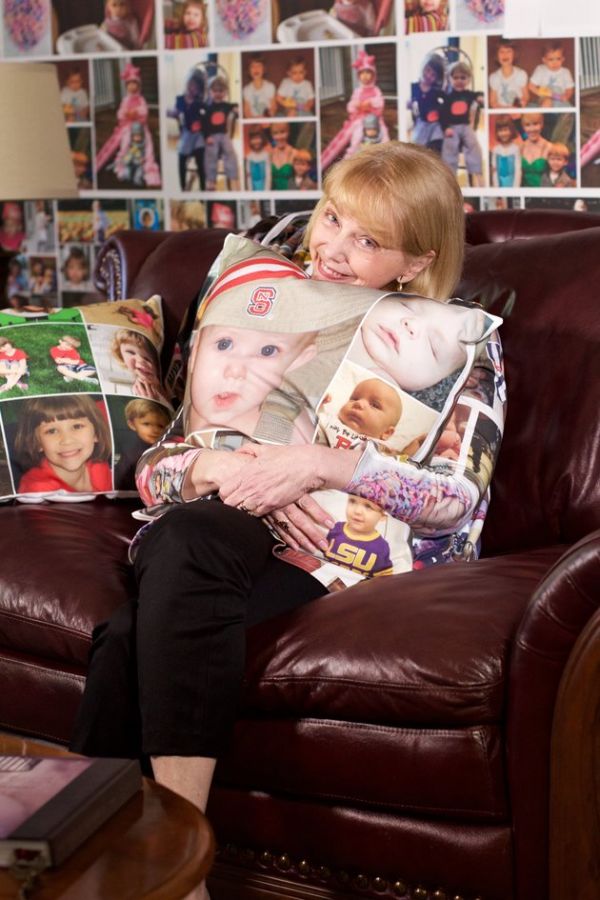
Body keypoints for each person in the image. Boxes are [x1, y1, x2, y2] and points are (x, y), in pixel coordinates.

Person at [70, 142, 504, 900]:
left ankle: (134, 858)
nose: (333, 248)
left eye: (368, 240)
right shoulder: (263, 303)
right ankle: (167, 871)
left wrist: (321, 466)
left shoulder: (460, 341)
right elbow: (158, 467)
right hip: (223, 526)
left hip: (338, 557)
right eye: (333, 218)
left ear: (414, 260)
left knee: (130, 634)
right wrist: (214, 468)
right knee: (188, 538)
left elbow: (458, 499)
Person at [186, 321, 318, 442]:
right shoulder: (195, 407)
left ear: (298, 361)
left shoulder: (292, 425)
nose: (235, 370)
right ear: (195, 349)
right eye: (223, 344)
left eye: (267, 351)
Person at [14, 395, 112, 494]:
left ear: (96, 434)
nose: (67, 440)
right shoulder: (38, 490)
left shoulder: (100, 467)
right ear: (36, 442)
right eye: (52, 431)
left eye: (77, 426)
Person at [95, 62, 161, 188]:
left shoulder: (141, 99)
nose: (132, 86)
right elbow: (119, 114)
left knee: (147, 142)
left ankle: (148, 169)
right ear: (126, 86)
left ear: (138, 86)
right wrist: (126, 113)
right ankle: (123, 166)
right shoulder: (125, 100)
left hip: (139, 125)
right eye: (129, 84)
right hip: (127, 126)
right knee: (125, 142)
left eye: (134, 84)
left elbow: (145, 111)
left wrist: (136, 112)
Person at [321, 49, 389, 170]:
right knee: (356, 134)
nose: (365, 76)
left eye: (369, 73)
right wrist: (356, 104)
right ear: (358, 76)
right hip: (359, 118)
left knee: (383, 133)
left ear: (373, 75)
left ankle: (387, 155)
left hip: (374, 119)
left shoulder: (376, 90)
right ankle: (349, 158)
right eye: (362, 73)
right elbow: (350, 107)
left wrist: (371, 102)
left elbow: (380, 103)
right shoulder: (358, 91)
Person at [324, 495, 393, 577]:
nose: (357, 511)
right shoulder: (335, 528)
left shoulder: (382, 547)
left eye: (368, 506)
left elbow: (384, 580)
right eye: (352, 501)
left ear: (382, 516)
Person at [441, 60, 484, 187]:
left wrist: (480, 97)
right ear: (450, 79)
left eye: (463, 78)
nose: (459, 81)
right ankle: (450, 176)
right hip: (452, 127)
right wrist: (446, 128)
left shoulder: (469, 95)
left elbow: (478, 94)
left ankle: (476, 171)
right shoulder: (448, 97)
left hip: (465, 126)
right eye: (456, 78)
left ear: (469, 79)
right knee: (449, 147)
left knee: (473, 144)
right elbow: (443, 115)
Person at [167, 69, 206, 191]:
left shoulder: (199, 102)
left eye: (196, 87)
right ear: (186, 83)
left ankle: (203, 187)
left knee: (201, 158)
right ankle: (183, 187)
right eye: (190, 84)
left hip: (198, 135)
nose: (192, 88)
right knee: (181, 156)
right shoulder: (180, 99)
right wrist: (173, 113)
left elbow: (207, 112)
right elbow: (176, 112)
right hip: (186, 133)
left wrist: (202, 121)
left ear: (199, 90)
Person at [204, 75, 239, 191]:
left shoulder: (226, 105)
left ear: (225, 92)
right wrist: (207, 136)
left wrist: (236, 109)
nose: (218, 93)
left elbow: (235, 106)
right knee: (210, 155)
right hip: (212, 136)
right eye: (215, 91)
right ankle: (211, 180)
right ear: (209, 92)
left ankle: (232, 176)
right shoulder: (208, 107)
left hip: (223, 135)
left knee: (230, 152)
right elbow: (204, 124)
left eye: (221, 91)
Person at [111, 329, 166, 402]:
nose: (140, 361)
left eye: (147, 358)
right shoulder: (136, 387)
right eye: (131, 352)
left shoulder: (163, 385)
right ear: (121, 355)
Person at [410, 53, 446, 156]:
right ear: (423, 67)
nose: (429, 75)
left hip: (435, 122)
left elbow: (447, 100)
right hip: (422, 120)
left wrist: (439, 111)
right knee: (416, 145)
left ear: (437, 78)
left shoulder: (436, 90)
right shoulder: (414, 87)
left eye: (433, 74)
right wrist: (409, 104)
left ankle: (434, 158)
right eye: (428, 70)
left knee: (437, 141)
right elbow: (411, 104)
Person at [528, 41, 574, 109]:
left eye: (558, 59)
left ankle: (566, 117)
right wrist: (541, 93)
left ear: (563, 59)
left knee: (567, 107)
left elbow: (569, 89)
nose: (555, 63)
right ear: (544, 60)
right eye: (551, 59)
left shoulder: (566, 72)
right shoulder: (540, 69)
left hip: (560, 97)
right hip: (545, 97)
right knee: (547, 102)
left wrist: (566, 96)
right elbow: (531, 86)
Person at [488, 39, 528, 109]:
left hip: (517, 110)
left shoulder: (521, 74)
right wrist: (504, 109)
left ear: (514, 54)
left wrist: (522, 103)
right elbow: (493, 101)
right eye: (501, 52)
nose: (505, 55)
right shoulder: (494, 77)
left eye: (508, 51)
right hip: (501, 111)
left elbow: (526, 96)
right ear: (496, 55)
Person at [520, 112, 551, 188]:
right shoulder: (520, 147)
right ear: (523, 127)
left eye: (535, 124)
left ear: (541, 125)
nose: (532, 129)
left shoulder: (549, 147)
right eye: (527, 125)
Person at [490, 115, 521, 188]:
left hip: (513, 186)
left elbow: (518, 170)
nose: (503, 133)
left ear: (511, 130)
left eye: (506, 130)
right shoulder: (496, 150)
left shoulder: (515, 149)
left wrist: (515, 188)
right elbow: (495, 172)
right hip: (499, 186)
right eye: (500, 130)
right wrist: (496, 189)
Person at [269, 122, 295, 190]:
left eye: (282, 132)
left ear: (288, 132)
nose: (279, 136)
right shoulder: (269, 154)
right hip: (272, 197)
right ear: (272, 135)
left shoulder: (294, 153)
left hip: (291, 197)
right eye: (275, 133)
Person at [245, 127, 271, 191]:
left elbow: (268, 175)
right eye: (253, 139)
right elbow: (249, 176)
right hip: (253, 188)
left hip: (264, 188)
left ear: (262, 139)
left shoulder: (266, 155)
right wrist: (250, 192)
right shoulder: (249, 157)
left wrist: (266, 191)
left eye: (258, 138)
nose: (256, 141)